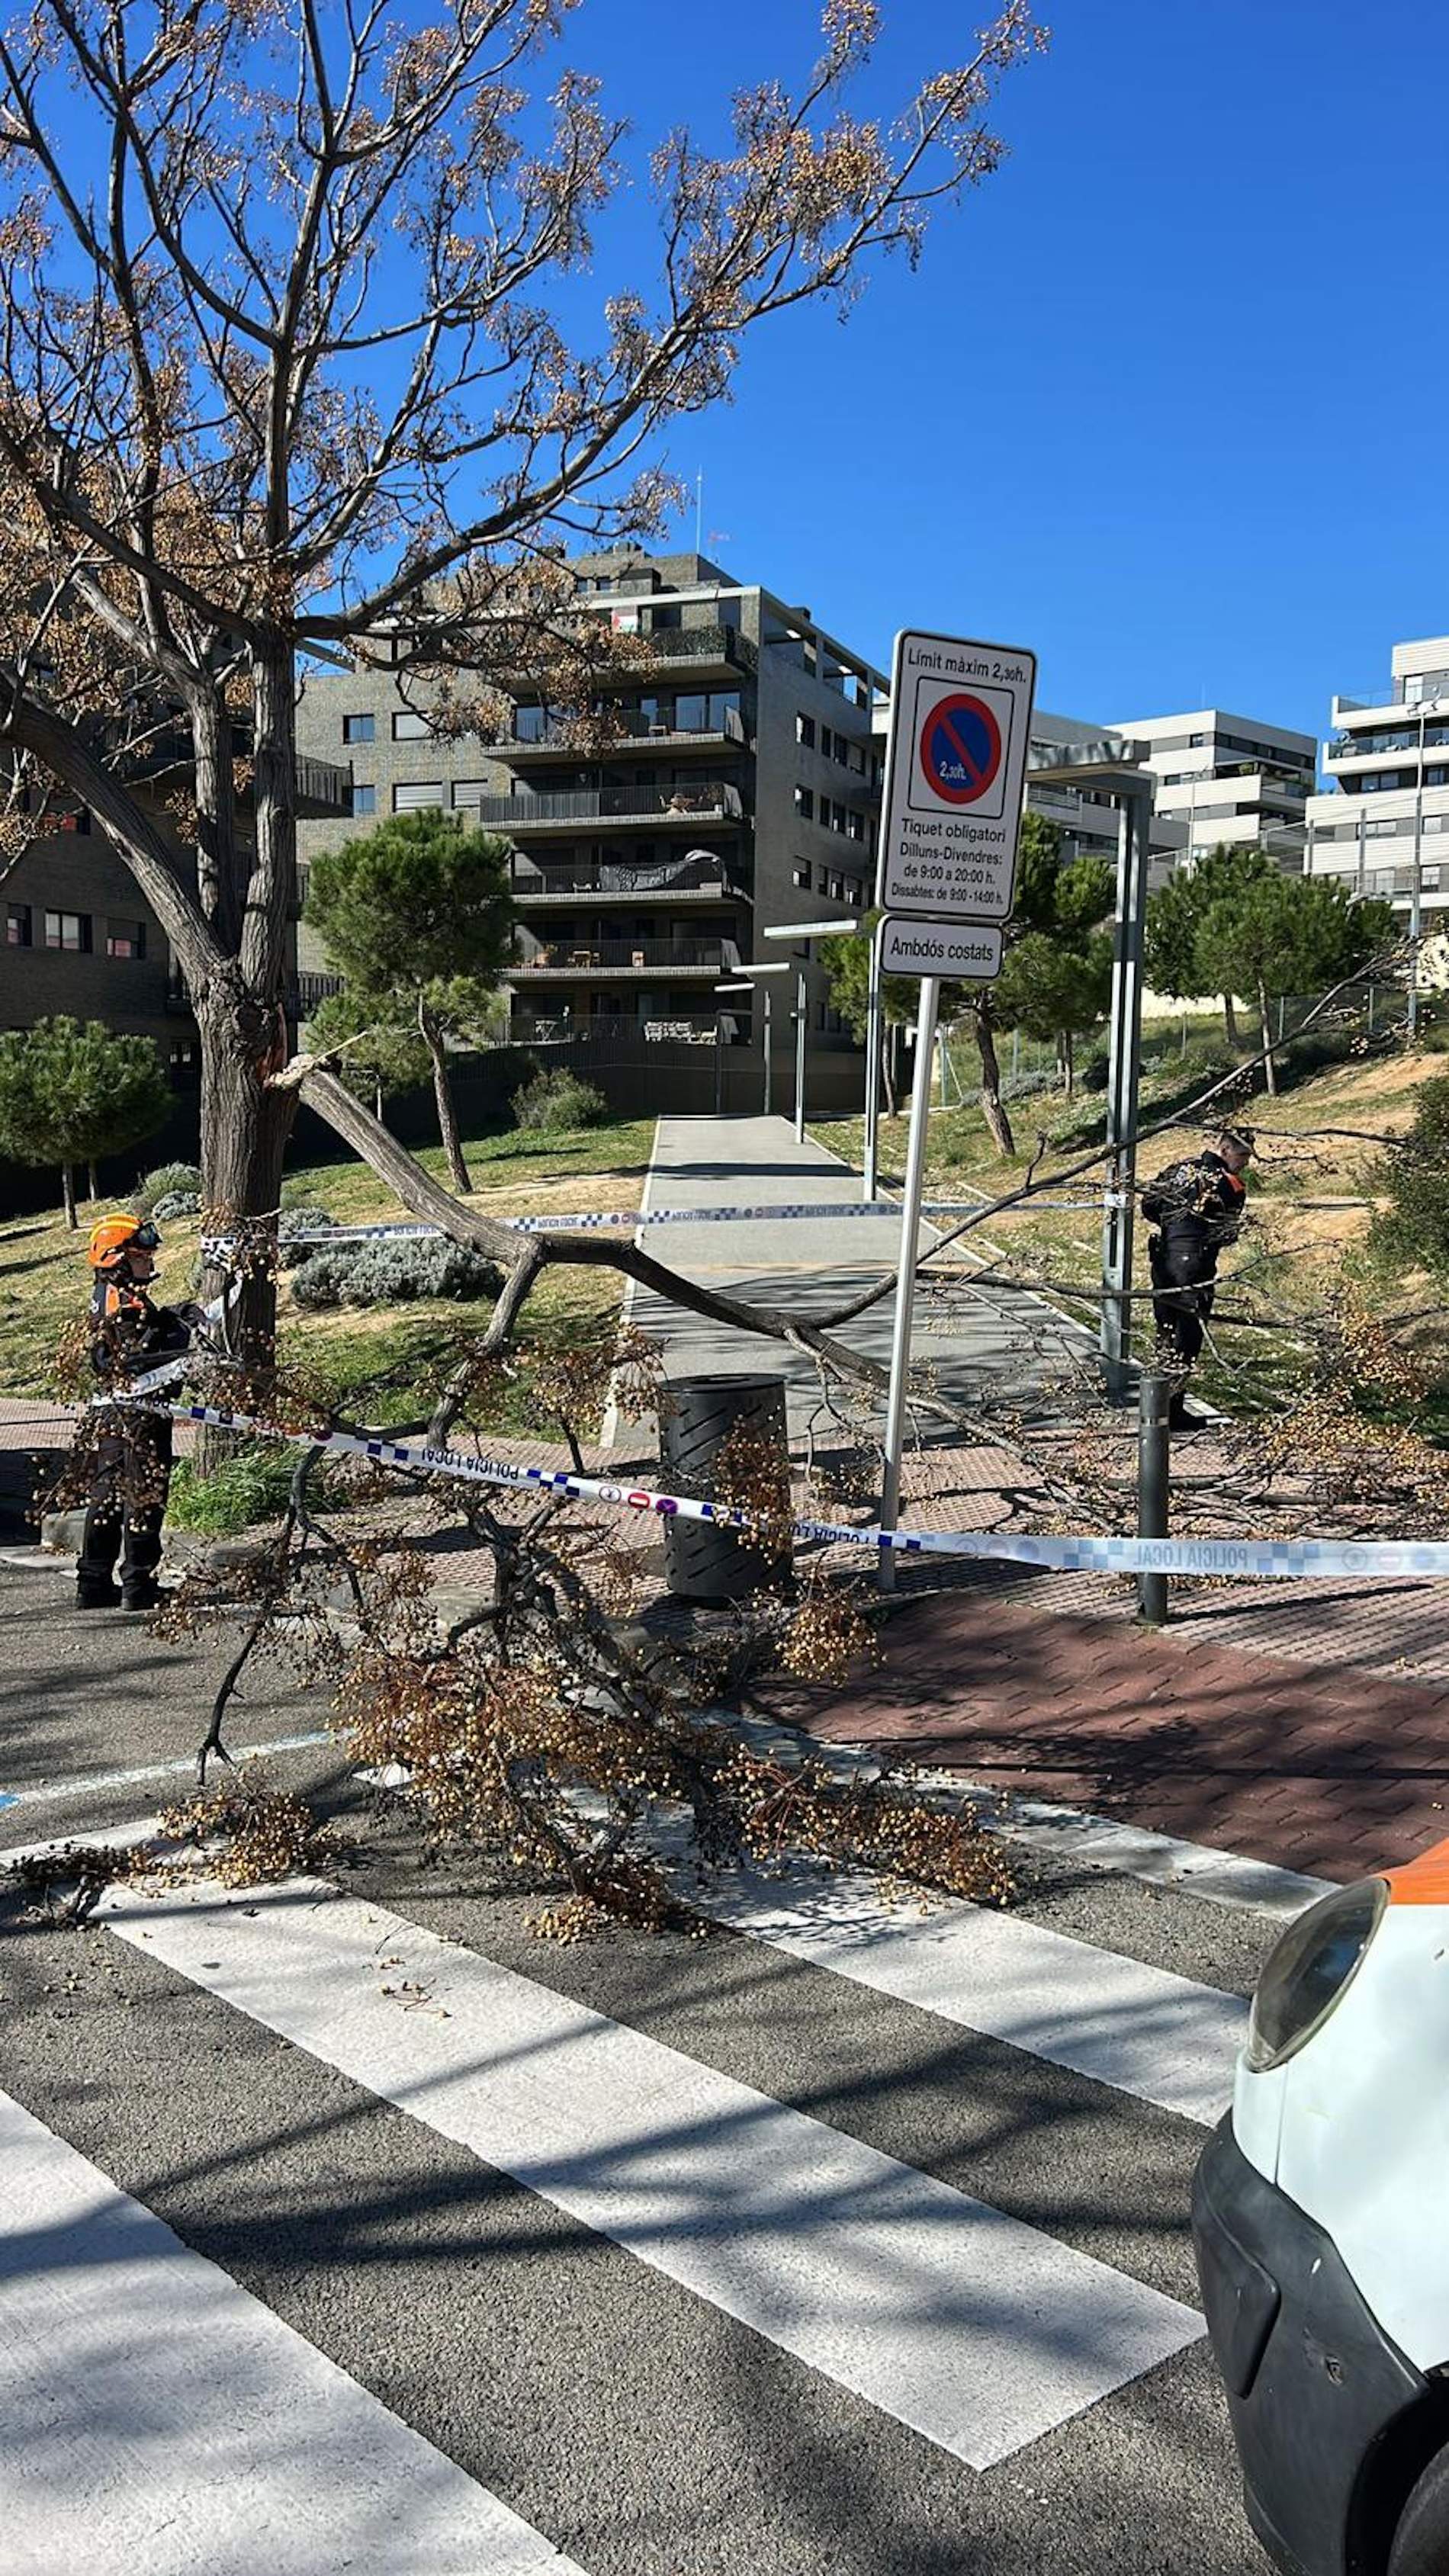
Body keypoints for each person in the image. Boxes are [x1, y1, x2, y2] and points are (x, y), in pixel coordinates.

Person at [76, 1213, 204, 1612]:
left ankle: (93, 1582)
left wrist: (174, 1314)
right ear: (117, 1260)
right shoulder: (122, 1306)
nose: (150, 1260)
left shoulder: (113, 1295)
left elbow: (145, 1331)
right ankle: (139, 1585)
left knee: (108, 1493)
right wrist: (181, 1334)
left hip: (114, 1415)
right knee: (144, 1494)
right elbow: (144, 1360)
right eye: (141, 1255)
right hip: (139, 1415)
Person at [1141, 1125, 1254, 1425]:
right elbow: (1228, 1233)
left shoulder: (1179, 1170)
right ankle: (1174, 1410)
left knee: (1165, 1329)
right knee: (1187, 1337)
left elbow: (1148, 1205)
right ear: (1226, 1150)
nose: (1246, 1163)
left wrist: (1173, 1224)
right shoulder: (1231, 1185)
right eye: (1243, 1156)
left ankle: (1155, 1405)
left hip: (1164, 1260)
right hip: (1196, 1264)